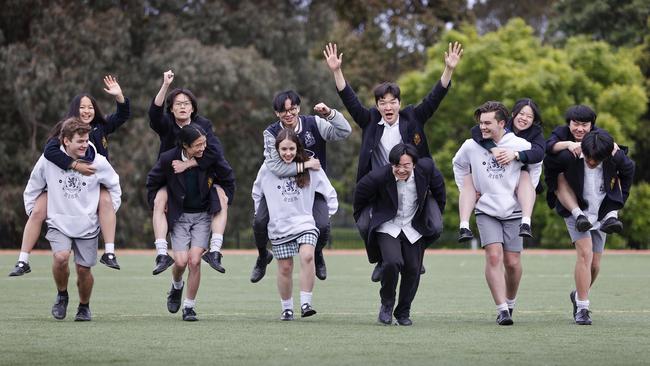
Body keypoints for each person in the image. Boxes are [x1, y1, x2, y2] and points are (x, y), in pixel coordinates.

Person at [324, 41, 462, 281]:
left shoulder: (413, 118)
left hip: (415, 186)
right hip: (382, 188)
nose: (388, 107)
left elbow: (434, 98)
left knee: (437, 227)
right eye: (382, 103)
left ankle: (416, 253)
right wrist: (337, 71)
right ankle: (380, 260)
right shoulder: (369, 121)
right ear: (377, 106)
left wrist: (448, 69)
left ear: (399, 103)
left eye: (392, 102)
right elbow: (350, 100)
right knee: (367, 226)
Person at [9, 75, 130, 276]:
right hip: (63, 184)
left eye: (90, 107)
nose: (87, 111)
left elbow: (123, 115)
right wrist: (74, 166)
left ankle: (109, 252)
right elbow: (50, 152)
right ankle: (23, 260)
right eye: (82, 107)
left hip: (92, 183)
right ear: (75, 110)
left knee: (106, 201)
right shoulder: (65, 128)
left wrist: (119, 96)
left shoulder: (101, 126)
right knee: (39, 209)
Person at [452, 101, 542, 325]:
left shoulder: (520, 143)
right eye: (481, 123)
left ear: (502, 123)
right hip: (486, 210)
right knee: (494, 256)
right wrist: (468, 189)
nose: (482, 127)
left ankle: (510, 302)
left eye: (488, 123)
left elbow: (536, 166)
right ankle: (501, 309)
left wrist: (523, 191)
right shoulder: (471, 145)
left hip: (513, 210)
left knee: (512, 263)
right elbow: (458, 164)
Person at [23, 118, 121, 321]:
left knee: (83, 270)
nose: (85, 145)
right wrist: (33, 211)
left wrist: (108, 211)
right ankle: (62, 295)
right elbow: (34, 185)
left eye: (86, 141)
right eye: (80, 141)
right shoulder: (48, 160)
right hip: (59, 222)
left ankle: (84, 306)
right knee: (60, 258)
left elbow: (114, 185)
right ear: (66, 141)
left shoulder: (98, 162)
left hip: (87, 225)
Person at [250, 90, 351, 283]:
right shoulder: (270, 133)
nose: (288, 114)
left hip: (312, 187)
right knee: (260, 221)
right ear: (276, 113)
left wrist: (330, 114)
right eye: (283, 110)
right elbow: (277, 167)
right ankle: (263, 255)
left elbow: (345, 131)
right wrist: (306, 164)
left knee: (322, 225)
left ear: (298, 108)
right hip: (279, 189)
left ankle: (318, 253)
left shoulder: (314, 123)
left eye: (292, 109)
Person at [146, 125, 235, 321]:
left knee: (194, 261)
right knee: (180, 262)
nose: (203, 147)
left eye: (204, 143)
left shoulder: (210, 157)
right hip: (180, 217)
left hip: (203, 216)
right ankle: (176, 286)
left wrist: (224, 198)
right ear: (185, 146)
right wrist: (160, 200)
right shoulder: (168, 158)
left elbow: (229, 178)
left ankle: (189, 307)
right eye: (198, 145)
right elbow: (151, 183)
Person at [545, 129, 634, 325]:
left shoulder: (612, 157)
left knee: (594, 265)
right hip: (576, 213)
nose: (592, 162)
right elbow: (548, 160)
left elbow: (629, 170)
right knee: (585, 254)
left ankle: (577, 294)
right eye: (590, 158)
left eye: (597, 159)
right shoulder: (573, 155)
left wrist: (618, 202)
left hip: (601, 212)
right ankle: (583, 309)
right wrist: (567, 146)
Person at [148, 70, 232, 275]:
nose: (183, 106)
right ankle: (161, 253)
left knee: (221, 196)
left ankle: (215, 251)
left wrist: (189, 164)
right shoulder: (167, 124)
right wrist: (165, 85)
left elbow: (215, 154)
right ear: (172, 108)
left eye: (186, 103)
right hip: (171, 179)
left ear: (193, 107)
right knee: (160, 199)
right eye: (178, 103)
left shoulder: (203, 125)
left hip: (201, 177)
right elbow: (154, 113)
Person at [353, 144, 445, 326]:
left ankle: (403, 312)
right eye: (397, 165)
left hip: (414, 226)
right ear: (391, 164)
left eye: (406, 165)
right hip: (388, 225)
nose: (401, 170)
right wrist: (366, 220)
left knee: (413, 269)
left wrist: (432, 213)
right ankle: (386, 305)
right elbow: (359, 197)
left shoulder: (427, 169)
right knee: (392, 262)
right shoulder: (377, 177)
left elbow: (440, 192)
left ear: (415, 164)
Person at [252, 129, 338, 321]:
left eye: (291, 148)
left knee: (307, 255)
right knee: (285, 267)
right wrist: (262, 215)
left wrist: (328, 215)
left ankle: (306, 303)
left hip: (305, 222)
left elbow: (329, 192)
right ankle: (287, 308)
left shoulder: (310, 165)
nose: (288, 153)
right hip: (279, 226)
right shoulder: (268, 168)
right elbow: (257, 193)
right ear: (277, 149)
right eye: (283, 149)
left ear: (298, 147)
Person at [459, 98, 545, 242]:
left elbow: (539, 155)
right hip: (495, 183)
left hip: (521, 179)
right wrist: (493, 148)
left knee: (524, 174)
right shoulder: (500, 125)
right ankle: (464, 225)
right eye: (521, 114)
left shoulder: (534, 134)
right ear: (513, 114)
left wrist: (516, 154)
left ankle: (526, 222)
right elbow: (476, 131)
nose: (524, 118)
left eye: (529, 116)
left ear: (534, 120)